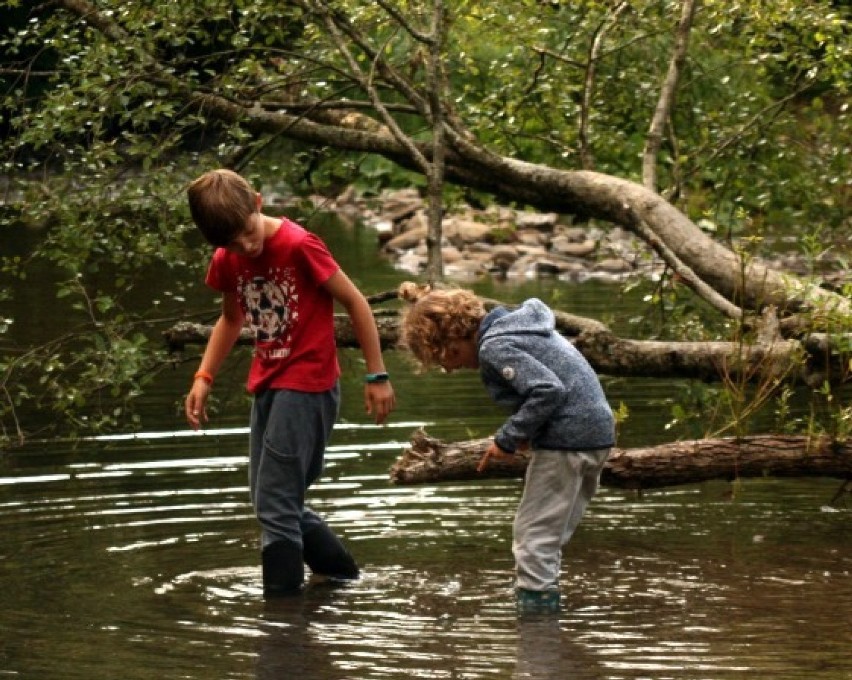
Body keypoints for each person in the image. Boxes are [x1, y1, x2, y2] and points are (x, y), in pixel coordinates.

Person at [184, 169, 396, 597]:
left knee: (275, 506)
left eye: (246, 231)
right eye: (231, 242)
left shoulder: (299, 244)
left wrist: (377, 375)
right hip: (268, 382)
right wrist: (203, 376)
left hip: (309, 384)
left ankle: (281, 623)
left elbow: (355, 302)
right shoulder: (228, 257)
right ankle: (341, 577)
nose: (245, 246)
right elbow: (231, 318)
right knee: (271, 503)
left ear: (258, 203)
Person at [397, 282, 614, 614]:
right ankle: (548, 618)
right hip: (595, 433)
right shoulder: (519, 325)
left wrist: (507, 438)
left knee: (532, 541)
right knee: (547, 538)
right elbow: (558, 383)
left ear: (452, 342)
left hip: (567, 440)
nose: (451, 369)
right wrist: (530, 429)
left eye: (446, 359)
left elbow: (547, 390)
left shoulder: (494, 347)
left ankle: (537, 638)